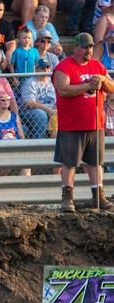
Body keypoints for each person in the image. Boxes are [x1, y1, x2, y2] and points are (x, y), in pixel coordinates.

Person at [53, 34, 114, 211]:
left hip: (95, 124)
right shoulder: (64, 67)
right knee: (70, 162)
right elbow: (63, 90)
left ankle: (99, 197)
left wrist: (103, 81)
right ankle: (67, 199)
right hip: (72, 125)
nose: (89, 50)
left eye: (91, 47)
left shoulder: (97, 66)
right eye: (85, 47)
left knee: (96, 163)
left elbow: (111, 87)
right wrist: (87, 86)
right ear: (76, 48)